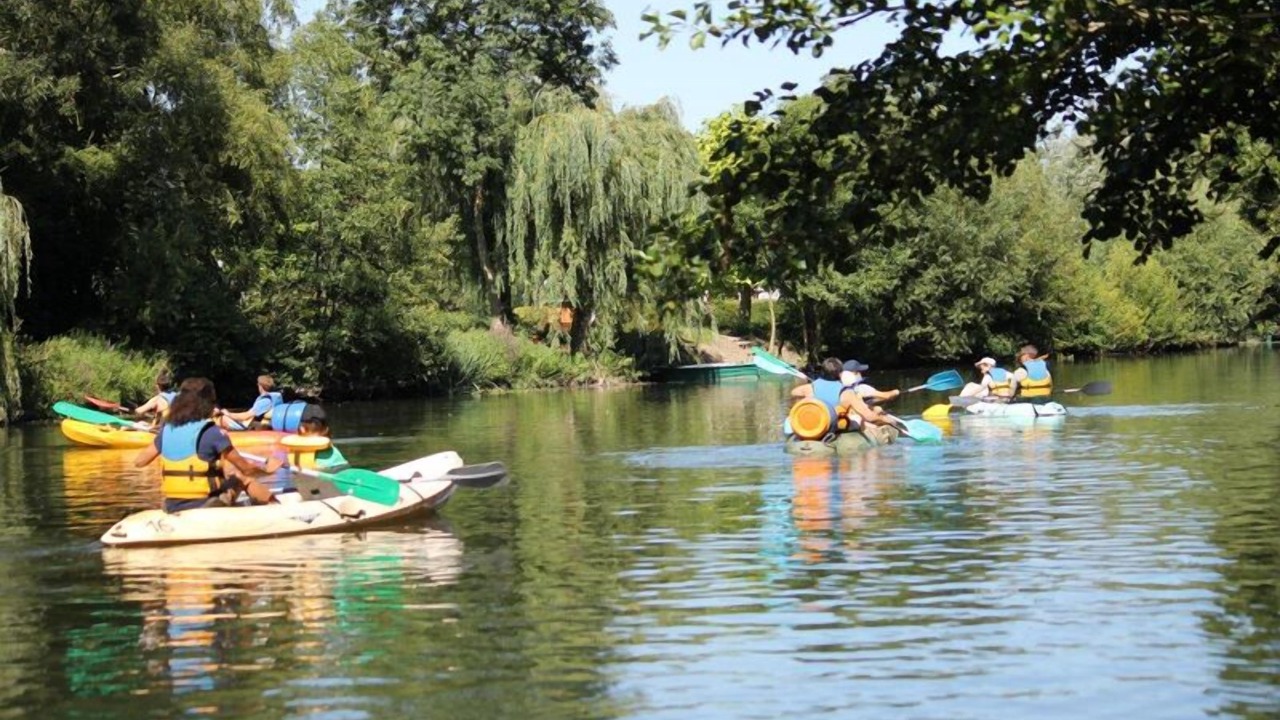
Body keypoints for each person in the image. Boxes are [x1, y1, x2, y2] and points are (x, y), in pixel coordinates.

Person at [134, 377, 277, 512]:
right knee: (241, 477)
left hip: (172, 506)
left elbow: (140, 462)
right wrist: (268, 470)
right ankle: (278, 509)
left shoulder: (166, 431)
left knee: (227, 476)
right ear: (207, 404)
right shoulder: (212, 433)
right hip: (205, 505)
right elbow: (247, 469)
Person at [791, 357, 890, 432]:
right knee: (858, 418)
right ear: (841, 373)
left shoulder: (808, 388)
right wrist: (883, 419)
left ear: (823, 371)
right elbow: (869, 416)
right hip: (836, 427)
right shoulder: (846, 392)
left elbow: (794, 392)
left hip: (814, 425)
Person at [216, 374, 283, 430]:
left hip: (250, 428)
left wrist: (229, 414)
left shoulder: (265, 401)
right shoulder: (270, 399)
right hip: (252, 425)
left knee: (222, 419)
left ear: (260, 386)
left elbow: (246, 416)